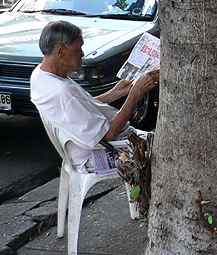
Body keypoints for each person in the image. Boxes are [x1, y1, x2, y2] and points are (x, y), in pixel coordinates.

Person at [30, 21, 160, 172]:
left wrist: (113, 94)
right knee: (167, 150)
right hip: (100, 154)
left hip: (98, 144)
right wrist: (134, 95)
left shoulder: (41, 74)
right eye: (79, 48)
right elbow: (108, 136)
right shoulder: (61, 91)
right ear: (61, 50)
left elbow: (77, 109)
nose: (82, 54)